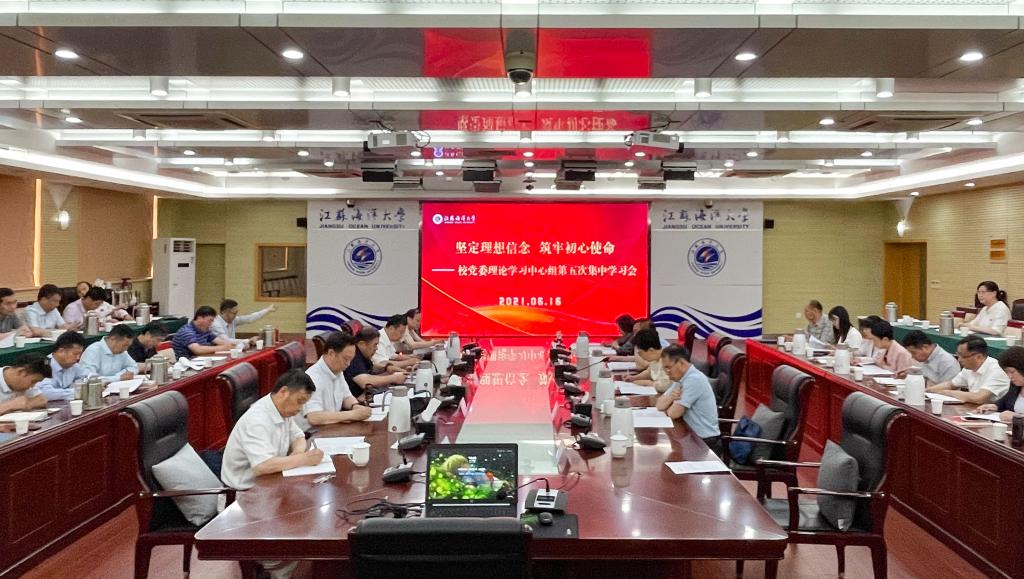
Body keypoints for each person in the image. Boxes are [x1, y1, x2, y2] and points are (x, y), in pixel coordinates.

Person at [221, 369, 323, 579]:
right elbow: (263, 466)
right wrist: (302, 459)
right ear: (283, 392)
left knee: (311, 513)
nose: (300, 409)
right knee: (302, 529)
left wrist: (297, 453)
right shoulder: (258, 420)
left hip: (270, 485)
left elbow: (299, 436)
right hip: (245, 495)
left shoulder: (281, 411)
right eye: (299, 402)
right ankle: (278, 571)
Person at [295, 332, 372, 432]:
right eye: (346, 359)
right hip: (312, 434)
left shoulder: (337, 370)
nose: (348, 364)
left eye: (351, 360)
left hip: (331, 428)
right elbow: (314, 417)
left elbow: (346, 396)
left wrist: (355, 406)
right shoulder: (313, 378)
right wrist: (352, 414)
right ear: (331, 353)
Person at [655, 345, 722, 455]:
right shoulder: (682, 378)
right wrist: (671, 397)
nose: (667, 372)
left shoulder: (694, 380)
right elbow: (659, 405)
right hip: (690, 435)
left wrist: (669, 403)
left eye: (668, 367)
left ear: (681, 363)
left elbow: (673, 413)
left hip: (704, 442)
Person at [927, 336, 1010, 404]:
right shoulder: (968, 368)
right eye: (958, 355)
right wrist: (927, 391)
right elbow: (951, 384)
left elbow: (979, 398)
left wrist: (947, 392)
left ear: (979, 357)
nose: (959, 360)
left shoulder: (996, 370)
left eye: (963, 356)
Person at [344, 328, 407, 399]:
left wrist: (388, 370)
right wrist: (393, 378)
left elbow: (371, 374)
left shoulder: (364, 355)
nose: (376, 348)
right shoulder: (354, 356)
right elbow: (365, 382)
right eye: (375, 345)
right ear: (362, 344)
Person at [976, 346, 1024, 421]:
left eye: (1012, 372)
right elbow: (1005, 400)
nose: (1009, 376)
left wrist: (1016, 417)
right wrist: (995, 406)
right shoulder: (1016, 385)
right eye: (1006, 372)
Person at [36, 332, 88, 401]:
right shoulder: (44, 365)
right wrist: (78, 392)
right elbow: (46, 393)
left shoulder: (73, 366)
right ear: (61, 351)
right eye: (75, 354)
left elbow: (88, 376)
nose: (78, 358)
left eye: (80, 354)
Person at [623, 328, 672, 393]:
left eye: (640, 353)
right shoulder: (654, 359)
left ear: (651, 350)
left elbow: (665, 386)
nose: (640, 356)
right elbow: (649, 372)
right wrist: (634, 378)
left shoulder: (668, 360)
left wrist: (648, 383)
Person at [211, 299, 276, 347]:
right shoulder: (215, 324)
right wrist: (249, 340)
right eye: (234, 313)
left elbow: (250, 318)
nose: (235, 315)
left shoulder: (233, 320)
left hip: (231, 349)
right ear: (223, 312)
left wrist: (267, 310)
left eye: (236, 313)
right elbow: (226, 340)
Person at [62, 286, 132, 327]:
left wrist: (126, 316)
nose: (97, 307)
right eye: (96, 304)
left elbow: (114, 310)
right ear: (88, 298)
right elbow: (67, 329)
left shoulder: (100, 303)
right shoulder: (71, 309)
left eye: (99, 304)